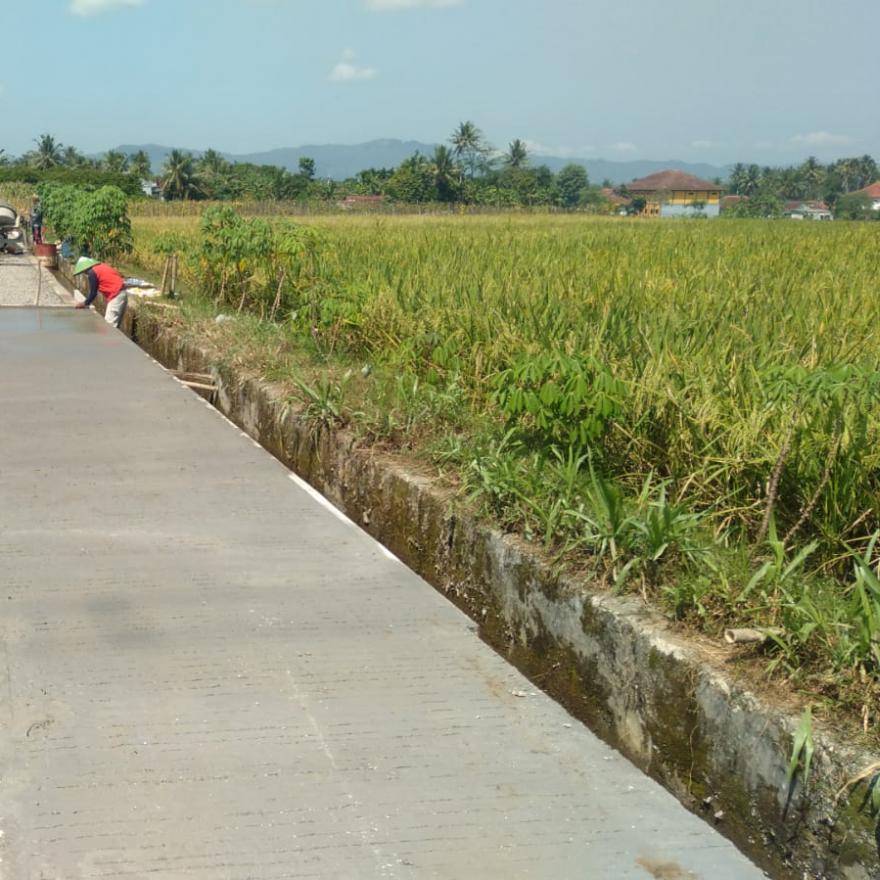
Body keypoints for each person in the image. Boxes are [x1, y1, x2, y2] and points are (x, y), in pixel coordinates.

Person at [73, 257, 129, 328]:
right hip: (123, 293)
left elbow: (93, 293)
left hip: (116, 295)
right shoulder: (101, 266)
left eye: (83, 272)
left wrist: (84, 303)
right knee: (115, 327)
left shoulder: (92, 273)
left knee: (108, 326)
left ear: (85, 268)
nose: (85, 273)